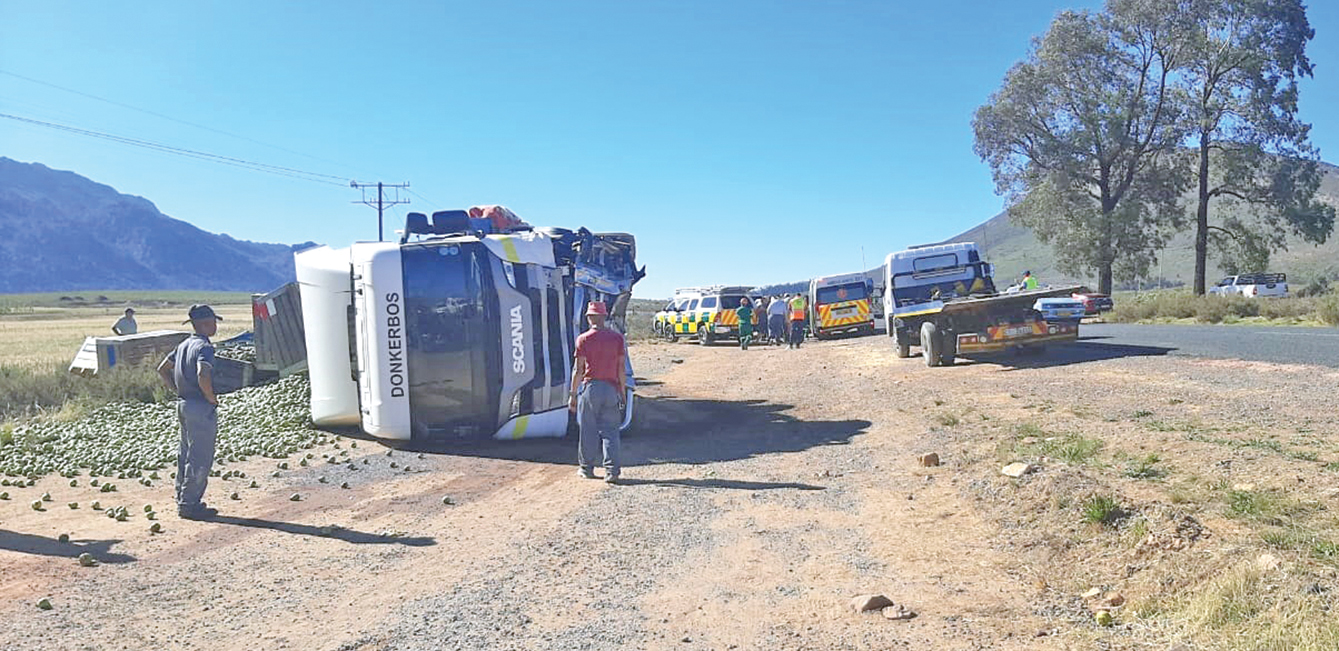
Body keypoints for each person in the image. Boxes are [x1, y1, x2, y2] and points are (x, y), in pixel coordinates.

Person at [157, 305, 223, 520]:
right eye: (214, 321)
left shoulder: (184, 345)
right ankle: (190, 505)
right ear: (205, 323)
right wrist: (210, 396)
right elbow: (203, 373)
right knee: (200, 456)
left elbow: (162, 369)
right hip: (199, 405)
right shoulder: (204, 347)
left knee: (185, 453)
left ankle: (182, 498)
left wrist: (177, 388)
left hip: (183, 404)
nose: (215, 325)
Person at [569, 301, 627, 484]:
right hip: (611, 389)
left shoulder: (583, 339)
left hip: (591, 388)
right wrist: (623, 392)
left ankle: (586, 469)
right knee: (611, 431)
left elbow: (578, 370)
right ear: (604, 316)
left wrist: (572, 395)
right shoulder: (617, 339)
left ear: (589, 318)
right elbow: (621, 369)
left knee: (588, 430)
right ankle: (612, 472)